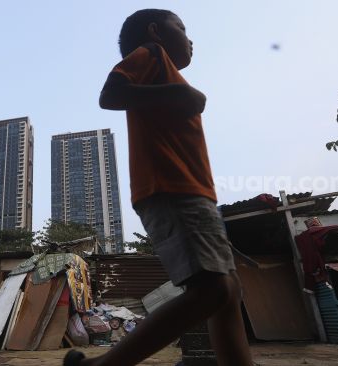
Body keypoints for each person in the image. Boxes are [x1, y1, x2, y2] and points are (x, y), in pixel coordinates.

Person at [64, 9, 254, 366]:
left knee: (228, 292)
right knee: (213, 289)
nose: (190, 38)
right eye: (182, 27)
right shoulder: (152, 54)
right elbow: (111, 94)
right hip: (172, 188)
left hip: (196, 194)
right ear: (155, 31)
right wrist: (176, 95)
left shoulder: (163, 68)